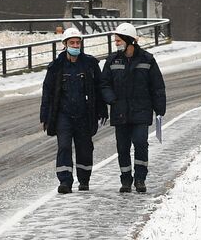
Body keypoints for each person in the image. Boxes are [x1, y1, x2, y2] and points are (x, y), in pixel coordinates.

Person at [39, 25, 107, 194]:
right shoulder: (56, 66)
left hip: (84, 114)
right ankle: (65, 181)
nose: (76, 46)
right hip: (64, 115)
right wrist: (45, 115)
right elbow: (47, 91)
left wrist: (102, 110)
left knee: (85, 148)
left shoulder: (90, 64)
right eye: (72, 43)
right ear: (65, 44)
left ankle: (84, 180)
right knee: (64, 147)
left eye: (78, 43)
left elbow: (99, 88)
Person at [100, 22, 166, 193]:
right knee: (122, 147)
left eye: (119, 40)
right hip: (119, 111)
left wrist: (160, 109)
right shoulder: (112, 60)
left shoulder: (147, 60)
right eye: (115, 41)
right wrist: (111, 99)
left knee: (140, 143)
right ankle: (126, 180)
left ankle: (140, 179)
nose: (116, 43)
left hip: (141, 111)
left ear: (130, 41)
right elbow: (104, 84)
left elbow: (157, 86)